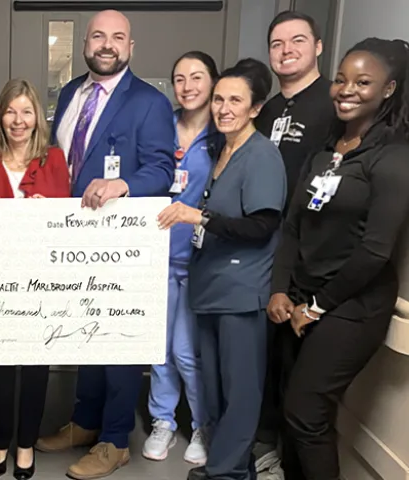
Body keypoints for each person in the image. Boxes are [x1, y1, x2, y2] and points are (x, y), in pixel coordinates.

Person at [35, 10, 175, 480]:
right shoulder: (72, 92)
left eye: (118, 37)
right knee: (84, 333)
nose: (107, 44)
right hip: (73, 240)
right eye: (99, 36)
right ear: (85, 44)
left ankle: (114, 440)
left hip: (121, 245)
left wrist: (124, 186)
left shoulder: (150, 103)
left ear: (131, 47)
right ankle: (85, 421)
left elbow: (161, 170)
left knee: (117, 341)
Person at [270, 37, 409, 480]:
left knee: (305, 413)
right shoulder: (328, 150)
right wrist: (281, 288)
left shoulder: (393, 157)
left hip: (350, 307)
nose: (347, 90)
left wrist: (317, 307)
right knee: (292, 409)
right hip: (300, 298)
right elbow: (294, 225)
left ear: (387, 90)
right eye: (342, 79)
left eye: (363, 82)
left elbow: (375, 250)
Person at [158, 58, 286, 480]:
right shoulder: (221, 151)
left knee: (240, 391)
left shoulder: (261, 155)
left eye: (236, 100)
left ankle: (225, 472)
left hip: (240, 293)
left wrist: (201, 218)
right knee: (214, 388)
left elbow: (262, 225)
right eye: (219, 100)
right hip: (210, 289)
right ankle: (232, 467)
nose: (224, 108)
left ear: (255, 108)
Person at [0, 78, 70, 480]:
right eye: (11, 110)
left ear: (37, 118)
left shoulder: (55, 161)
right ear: (0, 115)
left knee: (35, 366)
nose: (18, 119)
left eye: (26, 111)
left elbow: (66, 221)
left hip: (40, 278)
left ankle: (25, 444)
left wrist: (49, 211)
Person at [253, 13, 338, 474]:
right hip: (267, 250)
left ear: (319, 47)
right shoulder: (265, 111)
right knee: (268, 357)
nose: (286, 49)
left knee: (299, 374)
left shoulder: (333, 104)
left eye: (297, 40)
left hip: (311, 257)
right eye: (277, 42)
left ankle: (291, 461)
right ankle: (267, 451)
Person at [143, 51, 220, 466]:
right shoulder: (162, 127)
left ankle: (202, 424)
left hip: (198, 260)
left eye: (196, 77)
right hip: (155, 255)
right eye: (179, 78)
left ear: (213, 82)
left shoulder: (222, 134)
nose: (187, 86)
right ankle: (163, 421)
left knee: (188, 351)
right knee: (158, 347)